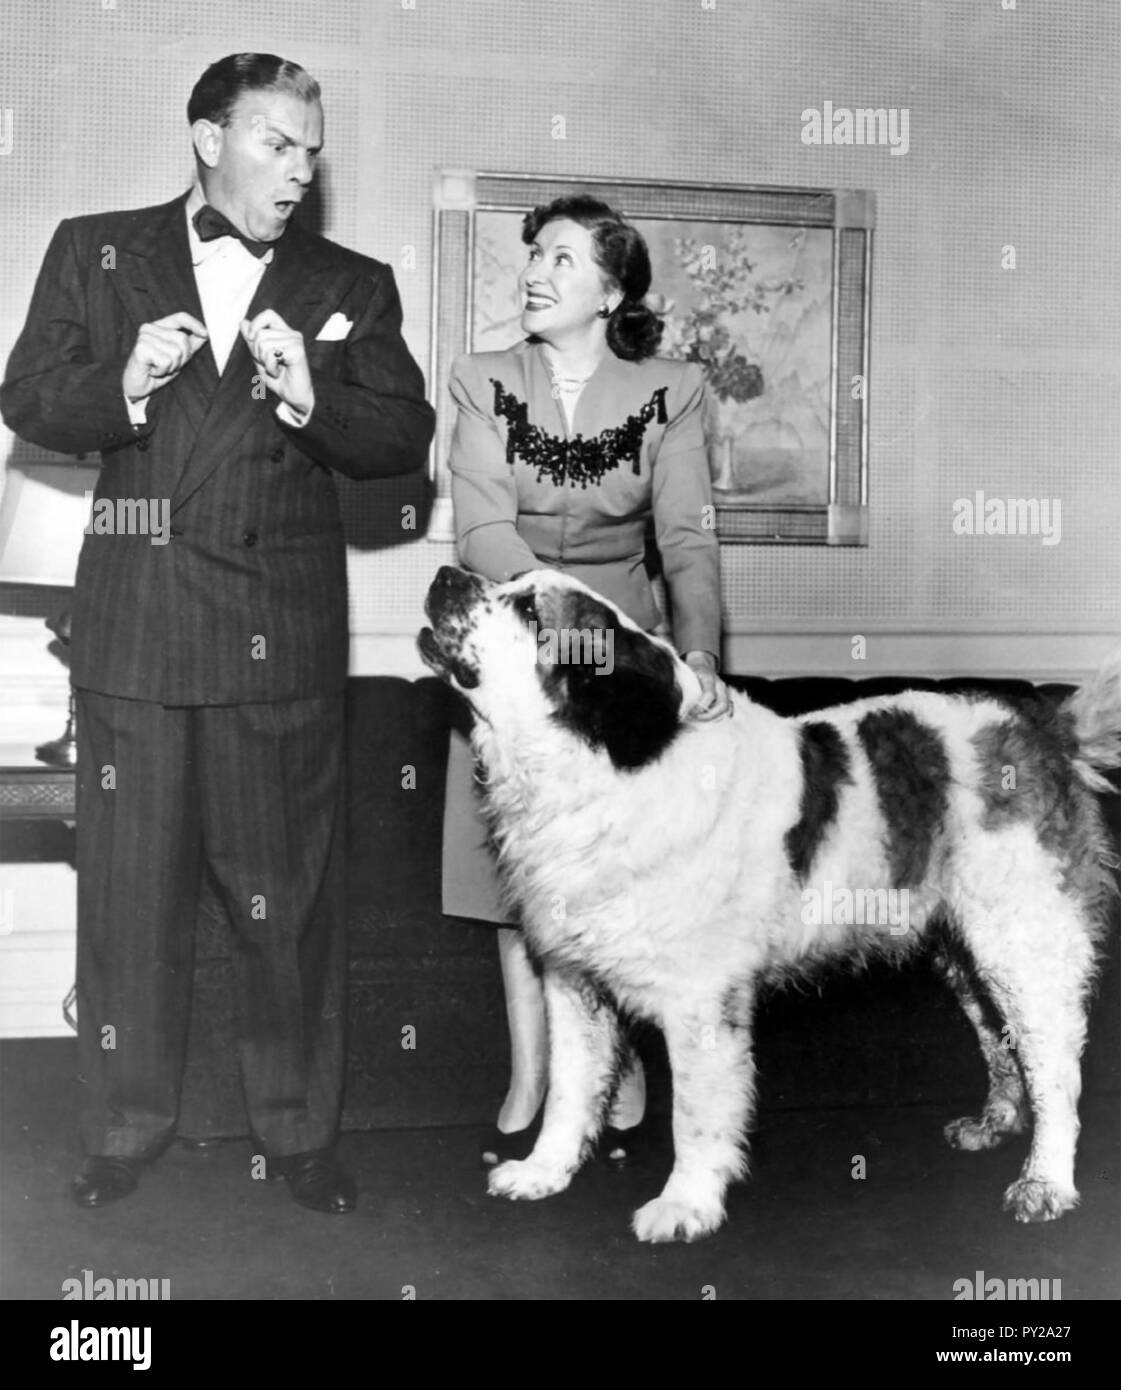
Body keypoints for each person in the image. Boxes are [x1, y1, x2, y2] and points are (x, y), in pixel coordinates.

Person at [0, 53, 435, 1213]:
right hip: (136, 632)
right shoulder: (96, 247)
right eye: (274, 145)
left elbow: (400, 438)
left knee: (283, 906)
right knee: (126, 904)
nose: (297, 174)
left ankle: (296, 1133)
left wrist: (307, 396)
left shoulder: (351, 280)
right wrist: (125, 387)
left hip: (275, 642)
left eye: (310, 152)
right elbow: (27, 395)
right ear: (207, 138)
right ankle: (122, 1130)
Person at [442, 194, 731, 1166]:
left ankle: (614, 1062)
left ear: (609, 292)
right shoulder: (481, 379)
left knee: (614, 878)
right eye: (532, 254)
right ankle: (532, 1071)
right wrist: (545, 625)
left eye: (561, 260)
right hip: (511, 666)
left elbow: (685, 537)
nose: (534, 270)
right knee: (515, 877)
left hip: (620, 678)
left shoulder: (672, 390)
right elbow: (480, 527)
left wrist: (696, 653)